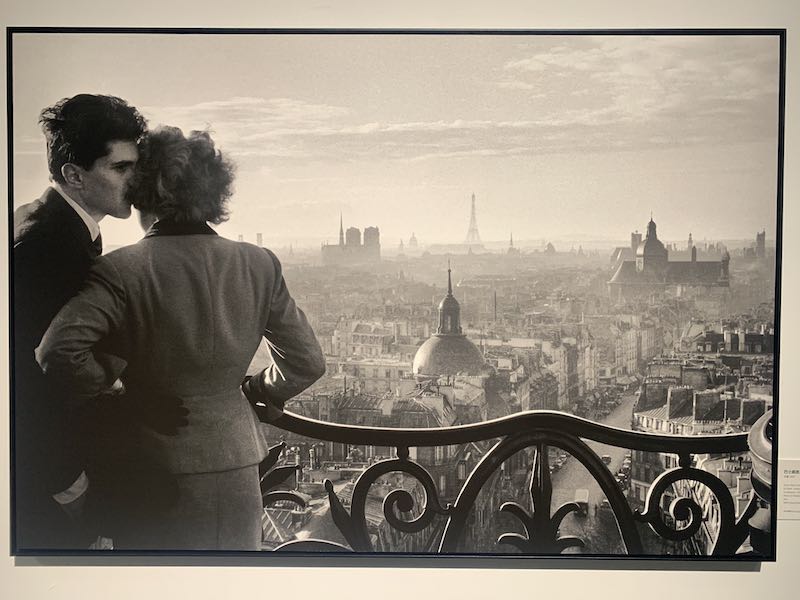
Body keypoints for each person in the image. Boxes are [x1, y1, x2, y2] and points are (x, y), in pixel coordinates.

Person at [36, 126, 326, 550]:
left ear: (142, 191)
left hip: (152, 463)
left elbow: (57, 352)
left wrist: (113, 384)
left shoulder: (122, 269)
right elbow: (307, 362)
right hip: (238, 462)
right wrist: (257, 389)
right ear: (216, 191)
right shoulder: (258, 264)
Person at [13, 94, 147, 551]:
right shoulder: (47, 247)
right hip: (46, 481)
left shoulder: (49, 223)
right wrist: (68, 483)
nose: (136, 179)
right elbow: (23, 380)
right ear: (74, 175)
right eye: (121, 168)